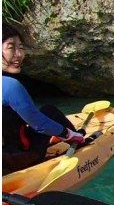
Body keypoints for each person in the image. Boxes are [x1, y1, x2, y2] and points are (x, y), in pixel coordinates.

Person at [2, 25, 84, 174]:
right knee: (49, 111)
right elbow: (39, 124)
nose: (19, 54)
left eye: (20, 47)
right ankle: (79, 139)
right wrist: (67, 134)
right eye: (11, 47)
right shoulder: (9, 86)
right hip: (18, 159)